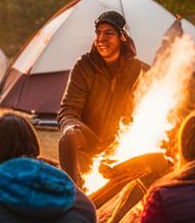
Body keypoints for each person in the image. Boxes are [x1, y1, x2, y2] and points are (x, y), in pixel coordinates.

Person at [57, 10, 148, 189]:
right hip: (89, 143)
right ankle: (74, 196)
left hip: (123, 148)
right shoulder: (84, 67)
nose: (101, 39)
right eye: (98, 33)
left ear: (122, 37)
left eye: (108, 33)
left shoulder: (139, 71)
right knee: (69, 138)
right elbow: (69, 109)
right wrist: (71, 127)